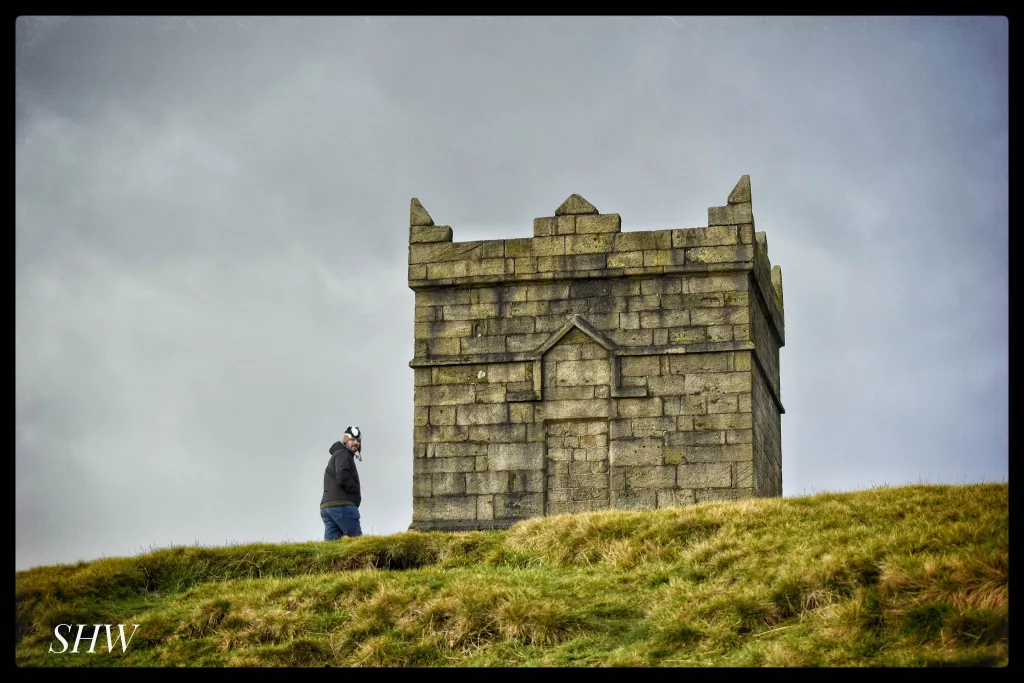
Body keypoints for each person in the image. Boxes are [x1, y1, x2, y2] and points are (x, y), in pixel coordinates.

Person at [320, 426, 363, 540]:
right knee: (357, 543)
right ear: (345, 440)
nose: (356, 443)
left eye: (358, 440)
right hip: (342, 505)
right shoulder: (343, 454)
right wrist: (355, 490)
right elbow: (342, 476)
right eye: (352, 440)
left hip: (327, 507)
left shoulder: (338, 455)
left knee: (332, 549)